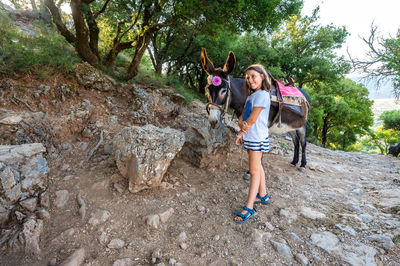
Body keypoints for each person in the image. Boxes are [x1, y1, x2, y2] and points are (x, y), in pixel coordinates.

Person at [234, 64, 271, 223]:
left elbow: (253, 119)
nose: (250, 80)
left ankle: (249, 207)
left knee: (254, 171)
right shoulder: (250, 97)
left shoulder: (263, 95)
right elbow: (243, 116)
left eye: (253, 76)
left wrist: (241, 132)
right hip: (250, 136)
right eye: (247, 78)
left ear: (262, 76)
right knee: (258, 166)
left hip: (256, 138)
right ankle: (263, 194)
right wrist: (241, 124)